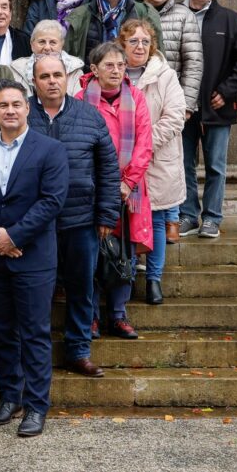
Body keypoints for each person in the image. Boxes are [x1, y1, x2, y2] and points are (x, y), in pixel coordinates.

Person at [0, 79, 68, 438]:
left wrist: (15, 235)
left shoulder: (50, 150)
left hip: (34, 257)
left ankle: (37, 406)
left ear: (27, 108)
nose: (10, 110)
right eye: (3, 105)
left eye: (16, 105)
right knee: (4, 333)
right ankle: (10, 397)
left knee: (35, 333)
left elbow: (52, 201)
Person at [26, 55, 120, 376]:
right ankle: (34, 353)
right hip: (35, 224)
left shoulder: (90, 116)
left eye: (57, 75)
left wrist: (107, 215)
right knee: (36, 289)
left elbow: (108, 169)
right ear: (34, 82)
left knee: (82, 287)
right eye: (44, 76)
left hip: (80, 220)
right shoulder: (21, 114)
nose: (52, 81)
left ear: (67, 78)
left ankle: (78, 350)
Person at [76, 42, 154, 339]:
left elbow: (144, 144)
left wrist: (128, 182)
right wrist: (101, 185)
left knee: (124, 253)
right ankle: (92, 316)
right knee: (93, 252)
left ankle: (119, 314)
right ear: (94, 69)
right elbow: (78, 145)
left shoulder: (136, 97)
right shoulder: (81, 99)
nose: (116, 71)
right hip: (93, 189)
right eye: (109, 65)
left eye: (121, 65)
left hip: (128, 192)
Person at [179, 0, 237, 239]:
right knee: (182, 163)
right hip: (181, 106)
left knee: (216, 165)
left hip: (217, 105)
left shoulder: (230, 20)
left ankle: (212, 218)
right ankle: (188, 214)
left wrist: (226, 90)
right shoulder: (175, 16)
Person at [120, 19, 187, 305]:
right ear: (122, 45)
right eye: (133, 41)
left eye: (145, 41)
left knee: (157, 220)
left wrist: (143, 144)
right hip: (122, 162)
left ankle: (154, 280)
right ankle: (127, 275)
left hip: (158, 160)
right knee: (126, 220)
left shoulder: (165, 75)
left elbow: (175, 116)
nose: (140, 46)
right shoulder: (113, 71)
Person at [134, 0, 203, 114]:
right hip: (132, 97)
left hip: (169, 100)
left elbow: (193, 63)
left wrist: (185, 106)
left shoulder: (184, 15)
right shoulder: (129, 11)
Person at [9, 19, 85, 95]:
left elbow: (78, 105)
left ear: (61, 45)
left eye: (53, 42)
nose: (47, 47)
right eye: (42, 42)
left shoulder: (75, 72)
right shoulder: (16, 70)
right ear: (32, 45)